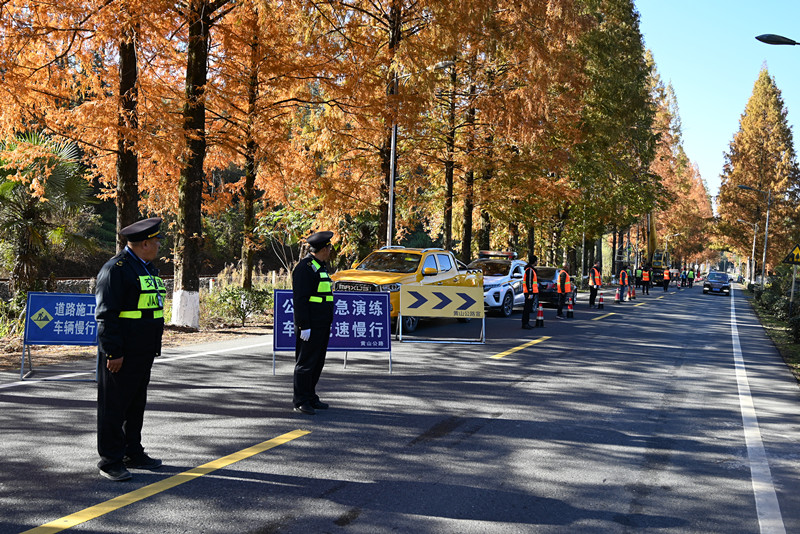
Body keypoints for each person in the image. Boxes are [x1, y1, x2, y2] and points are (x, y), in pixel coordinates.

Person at [95, 217, 166, 481]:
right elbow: (106, 314)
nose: (159, 245)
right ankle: (110, 461)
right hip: (121, 352)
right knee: (114, 407)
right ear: (145, 243)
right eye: (156, 241)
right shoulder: (116, 269)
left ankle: (132, 451)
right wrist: (113, 352)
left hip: (143, 350)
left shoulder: (148, 269)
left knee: (135, 405)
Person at [292, 231, 335, 415]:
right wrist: (304, 325)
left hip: (321, 323)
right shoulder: (305, 268)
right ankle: (301, 400)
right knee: (306, 363)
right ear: (323, 249)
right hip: (310, 325)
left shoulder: (320, 266)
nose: (330, 251)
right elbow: (300, 300)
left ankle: (310, 396)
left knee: (317, 362)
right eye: (329, 248)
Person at [521, 255, 539, 329]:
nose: (537, 262)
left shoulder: (530, 270)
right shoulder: (530, 270)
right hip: (529, 292)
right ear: (534, 261)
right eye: (536, 261)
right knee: (527, 308)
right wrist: (530, 292)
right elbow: (529, 282)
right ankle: (525, 323)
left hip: (530, 292)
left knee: (528, 308)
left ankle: (526, 322)